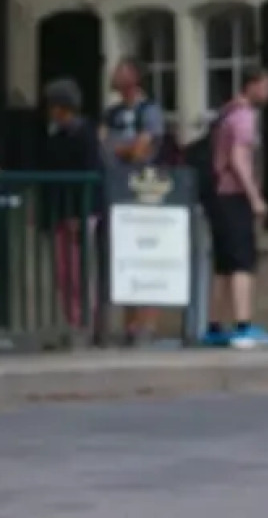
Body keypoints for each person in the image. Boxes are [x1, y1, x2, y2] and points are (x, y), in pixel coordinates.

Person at [203, 66, 268, 350]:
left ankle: (214, 326)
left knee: (223, 264)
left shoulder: (226, 113)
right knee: (241, 261)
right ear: (254, 85)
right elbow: (239, 159)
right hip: (234, 196)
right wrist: (255, 198)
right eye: (267, 86)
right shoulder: (244, 117)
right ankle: (243, 325)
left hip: (217, 196)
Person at [103, 58, 167, 345]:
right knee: (124, 259)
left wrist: (121, 149)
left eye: (121, 70)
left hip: (145, 191)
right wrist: (120, 149)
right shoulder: (112, 113)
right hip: (117, 191)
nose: (114, 74)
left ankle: (147, 324)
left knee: (147, 257)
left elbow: (141, 150)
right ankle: (128, 325)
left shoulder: (149, 111)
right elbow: (102, 146)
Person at [41, 78, 106, 330]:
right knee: (63, 274)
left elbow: (91, 173)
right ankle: (73, 321)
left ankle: (87, 323)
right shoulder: (55, 136)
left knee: (81, 272)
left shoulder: (86, 134)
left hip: (81, 213)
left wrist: (83, 213)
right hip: (61, 212)